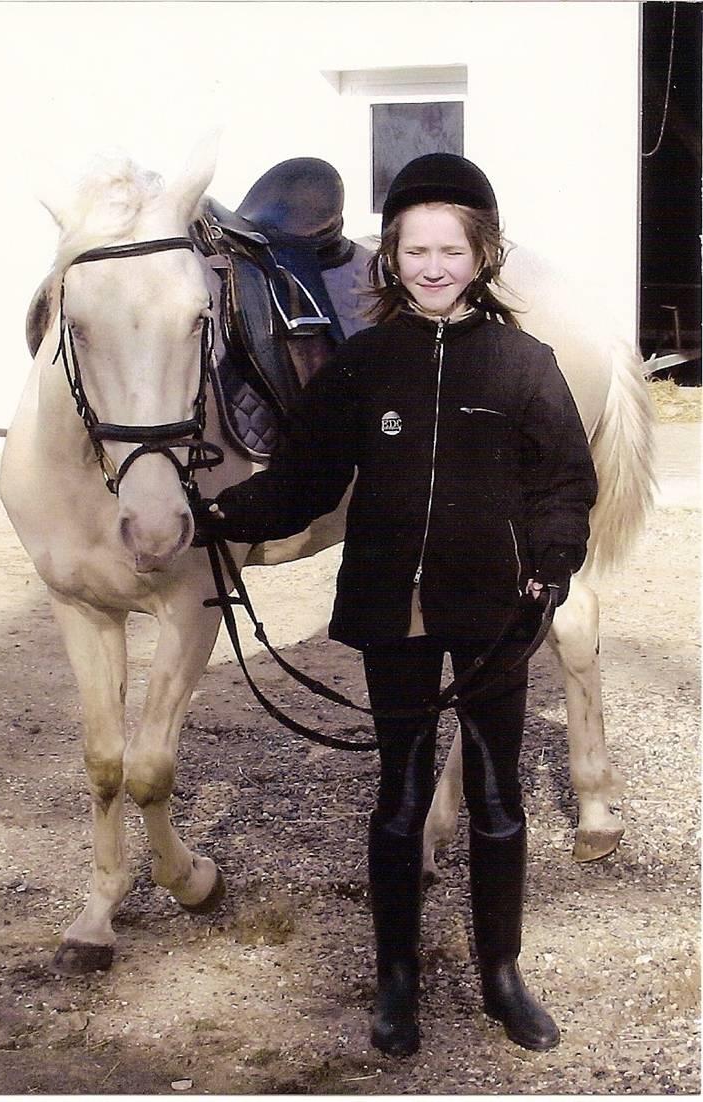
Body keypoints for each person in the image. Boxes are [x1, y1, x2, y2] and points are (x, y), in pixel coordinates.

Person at [195, 153, 597, 1056]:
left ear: (482, 255)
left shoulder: (524, 362)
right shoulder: (364, 362)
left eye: (451, 249)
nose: (432, 266)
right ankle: (396, 985)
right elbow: (303, 480)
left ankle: (502, 977)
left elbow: (566, 479)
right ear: (391, 256)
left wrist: (555, 558)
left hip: (497, 608)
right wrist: (219, 516)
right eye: (415, 248)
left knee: (497, 794)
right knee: (401, 793)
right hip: (393, 610)